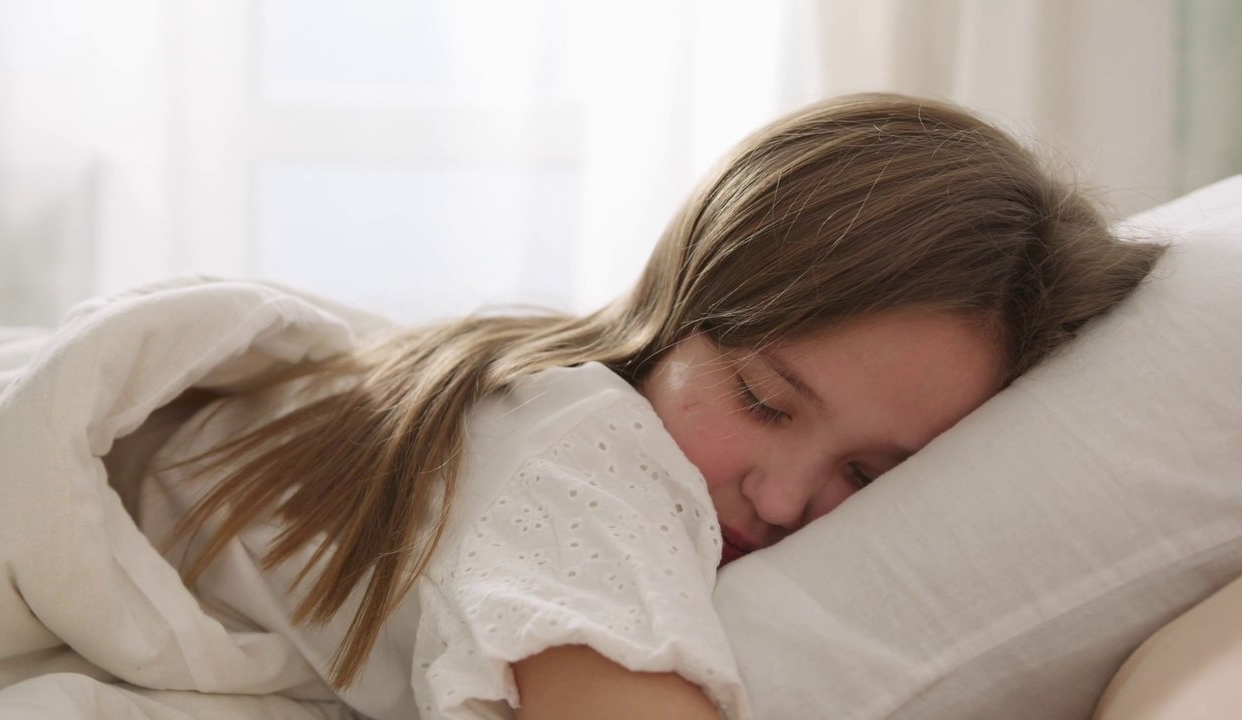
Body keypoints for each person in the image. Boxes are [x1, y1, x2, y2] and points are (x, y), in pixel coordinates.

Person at [149, 93, 1164, 719]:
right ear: (676, 306)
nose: (778, 496)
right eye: (764, 402)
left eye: (866, 473)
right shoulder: (580, 449)